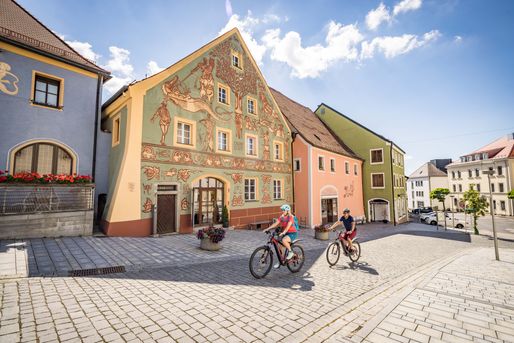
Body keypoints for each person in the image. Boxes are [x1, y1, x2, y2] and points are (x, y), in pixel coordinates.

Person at [263, 204, 298, 268]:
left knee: (284, 240)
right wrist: (267, 229)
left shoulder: (291, 217)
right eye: (282, 210)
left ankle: (290, 252)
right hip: (286, 233)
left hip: (293, 233)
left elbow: (288, 226)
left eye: (283, 210)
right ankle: (281, 261)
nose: (282, 211)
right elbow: (275, 223)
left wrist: (283, 232)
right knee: (279, 246)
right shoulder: (282, 217)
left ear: (287, 211)